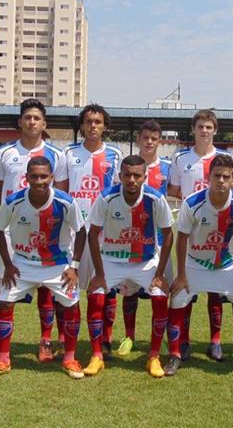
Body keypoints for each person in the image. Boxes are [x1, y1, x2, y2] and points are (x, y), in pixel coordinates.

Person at [0, 156, 86, 379]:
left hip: (57, 265)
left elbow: (81, 231)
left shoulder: (65, 202)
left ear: (52, 177)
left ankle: (70, 358)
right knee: (4, 302)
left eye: (44, 176)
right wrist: (8, 264)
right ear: (26, 178)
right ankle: (2, 359)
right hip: (23, 263)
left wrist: (74, 266)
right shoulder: (13, 201)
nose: (40, 181)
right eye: (35, 176)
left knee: (71, 305)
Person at [164, 154, 233, 376]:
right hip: (195, 263)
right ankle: (175, 355)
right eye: (217, 176)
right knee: (177, 298)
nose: (221, 181)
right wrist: (181, 274)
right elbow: (182, 238)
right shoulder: (192, 202)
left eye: (226, 177)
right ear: (209, 177)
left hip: (227, 263)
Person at [0, 98, 68, 363]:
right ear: (20, 122)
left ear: (44, 124)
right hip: (13, 231)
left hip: (47, 230)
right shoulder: (4, 153)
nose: (32, 122)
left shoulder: (57, 155)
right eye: (27, 117)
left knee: (46, 287)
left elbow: (61, 194)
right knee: (5, 285)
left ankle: (46, 340)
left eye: (37, 118)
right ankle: (0, 344)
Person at [84, 155, 174, 377]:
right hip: (111, 259)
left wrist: (160, 273)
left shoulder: (155, 199)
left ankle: (153, 356)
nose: (132, 179)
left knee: (160, 296)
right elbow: (93, 234)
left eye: (137, 175)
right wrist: (99, 274)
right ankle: (97, 355)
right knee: (95, 295)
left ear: (145, 177)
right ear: (120, 176)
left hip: (145, 261)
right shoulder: (106, 198)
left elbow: (168, 234)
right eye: (127, 175)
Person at [167, 109, 233, 362]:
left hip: (219, 230)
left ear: (215, 130)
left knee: (216, 290)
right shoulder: (180, 158)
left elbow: (231, 188)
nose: (204, 131)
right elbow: (173, 188)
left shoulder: (225, 158)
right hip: (190, 228)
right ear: (193, 130)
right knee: (186, 289)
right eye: (200, 127)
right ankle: (182, 341)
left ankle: (215, 341)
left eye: (209, 127)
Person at [63, 104, 122, 360]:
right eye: (88, 121)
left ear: (104, 126)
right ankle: (67, 341)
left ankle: (105, 338)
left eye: (98, 122)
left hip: (104, 233)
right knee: (70, 288)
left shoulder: (115, 155)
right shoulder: (68, 153)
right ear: (82, 126)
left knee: (104, 288)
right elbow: (63, 192)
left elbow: (120, 193)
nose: (93, 126)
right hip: (75, 231)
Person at [116, 120, 172, 357]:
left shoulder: (169, 167)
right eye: (145, 137)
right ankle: (129, 336)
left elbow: (177, 191)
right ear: (138, 139)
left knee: (160, 291)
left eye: (154, 138)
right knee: (128, 291)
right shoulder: (128, 166)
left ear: (160, 141)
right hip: (130, 238)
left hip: (159, 239)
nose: (149, 142)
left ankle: (160, 340)